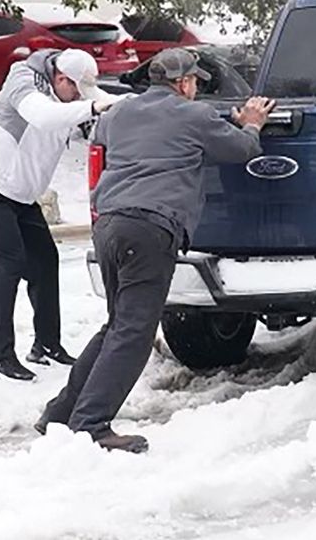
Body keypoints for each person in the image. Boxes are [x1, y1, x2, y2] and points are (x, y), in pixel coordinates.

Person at [36, 48, 275, 452]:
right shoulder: (193, 116)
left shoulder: (118, 115)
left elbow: (152, 130)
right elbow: (242, 151)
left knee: (117, 325)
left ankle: (60, 412)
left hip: (110, 225)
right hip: (150, 229)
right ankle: (91, 426)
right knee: (134, 332)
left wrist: (221, 121)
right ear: (183, 83)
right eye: (195, 82)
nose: (197, 88)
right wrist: (250, 125)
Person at [0, 48, 124, 381]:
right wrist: (89, 107)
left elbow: (102, 105)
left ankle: (47, 345)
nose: (77, 97)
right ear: (60, 78)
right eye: (75, 90)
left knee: (46, 261)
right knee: (8, 267)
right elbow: (43, 116)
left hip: (18, 195)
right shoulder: (23, 80)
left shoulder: (69, 95)